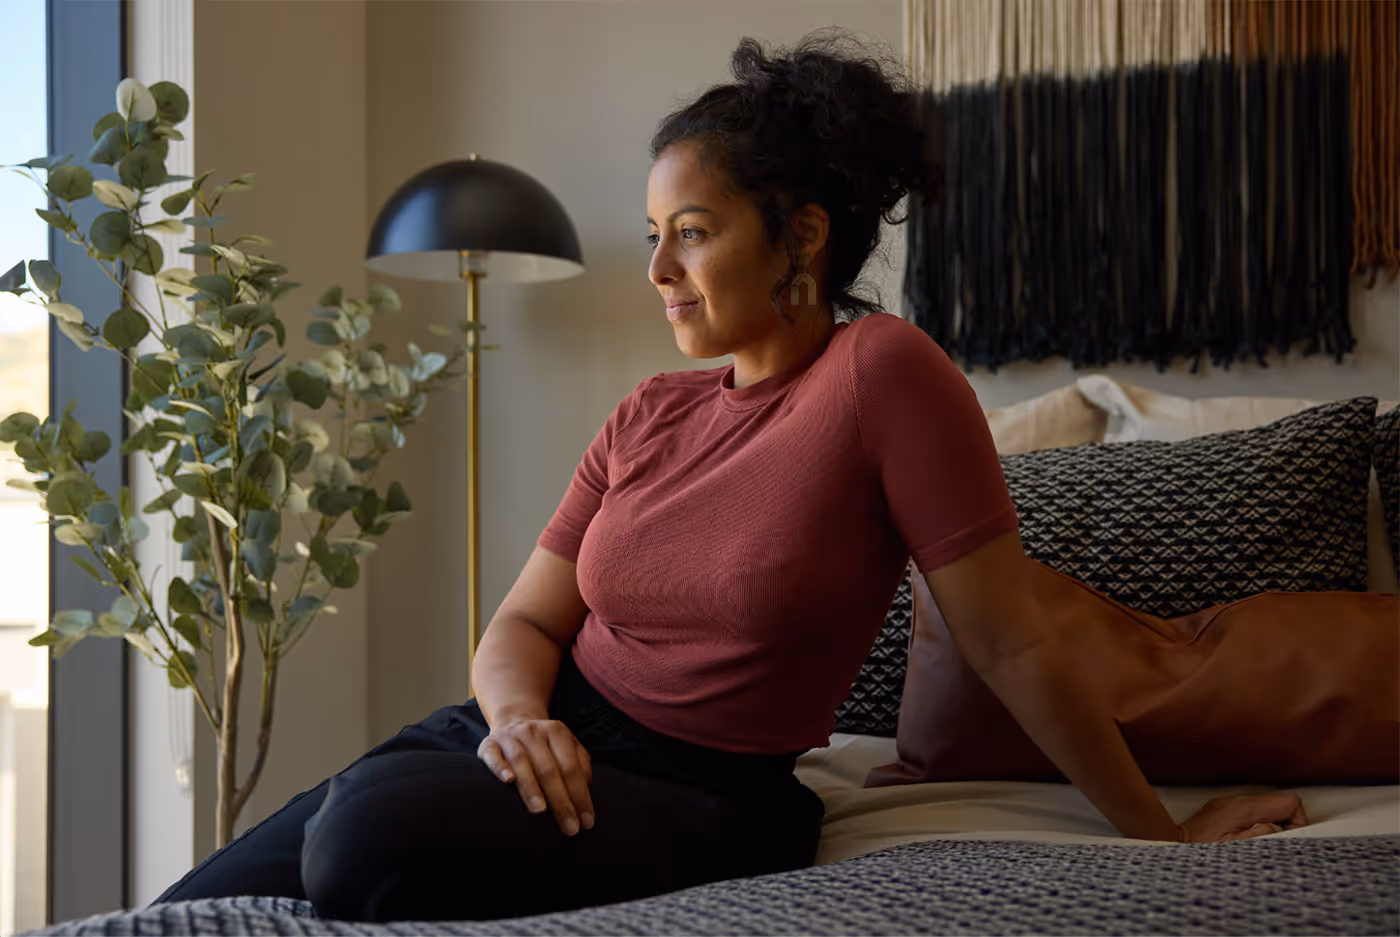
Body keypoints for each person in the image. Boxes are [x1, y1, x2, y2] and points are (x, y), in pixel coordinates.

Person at [152, 27, 1308, 924]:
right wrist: (513, 723)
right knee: (188, 904)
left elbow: (1010, 643)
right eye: (654, 233)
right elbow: (522, 621)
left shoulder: (882, 372)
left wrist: (1156, 832)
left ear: (800, 236)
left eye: (690, 232)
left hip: (705, 794)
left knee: (358, 837)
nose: (656, 267)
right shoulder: (648, 409)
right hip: (522, 736)